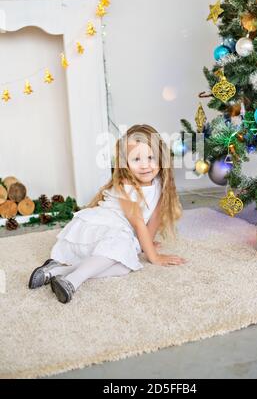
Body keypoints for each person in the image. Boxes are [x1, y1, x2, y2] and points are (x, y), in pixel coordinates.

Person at [28, 124, 187, 303]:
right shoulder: (126, 184)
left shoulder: (159, 183)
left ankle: (57, 271)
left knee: (126, 266)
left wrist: (145, 245)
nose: (145, 165)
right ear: (125, 163)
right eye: (136, 159)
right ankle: (72, 281)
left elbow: (154, 218)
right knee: (122, 248)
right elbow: (138, 223)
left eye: (151, 157)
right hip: (97, 230)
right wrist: (154, 257)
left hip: (116, 236)